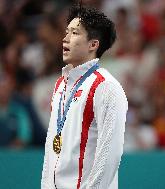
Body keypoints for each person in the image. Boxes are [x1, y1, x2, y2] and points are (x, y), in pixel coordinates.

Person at [41, 5, 128, 189]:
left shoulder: (106, 87)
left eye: (74, 33)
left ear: (93, 44)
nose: (65, 38)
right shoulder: (60, 85)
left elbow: (109, 154)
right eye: (66, 32)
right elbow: (51, 148)